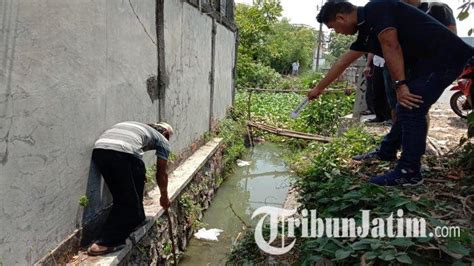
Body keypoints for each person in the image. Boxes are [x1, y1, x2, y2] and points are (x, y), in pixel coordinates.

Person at [308, 0, 473, 186]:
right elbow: (342, 62)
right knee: (404, 106)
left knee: (411, 108)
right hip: (427, 63)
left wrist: (401, 85)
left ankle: (409, 171)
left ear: (341, 17)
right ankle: (387, 151)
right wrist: (318, 89)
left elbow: (390, 45)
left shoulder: (376, 9)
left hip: (444, 59)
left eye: (333, 28)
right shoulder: (365, 32)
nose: (337, 32)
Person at [87, 121, 173, 255]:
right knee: (128, 203)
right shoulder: (163, 140)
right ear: (166, 134)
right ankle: (105, 242)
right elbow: (161, 173)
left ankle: (138, 218)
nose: (167, 141)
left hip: (100, 150)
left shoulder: (138, 128)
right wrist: (164, 196)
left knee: (137, 175)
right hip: (122, 153)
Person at [384, 0, 458, 122]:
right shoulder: (389, 11)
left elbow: (452, 39)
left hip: (422, 69)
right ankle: (400, 139)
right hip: (394, 69)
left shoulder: (438, 9)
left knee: (417, 109)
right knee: (396, 108)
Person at [365, 53, 391, 123]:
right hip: (377, 63)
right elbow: (371, 50)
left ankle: (389, 117)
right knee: (376, 89)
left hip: (390, 63)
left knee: (389, 91)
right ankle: (379, 116)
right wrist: (367, 65)